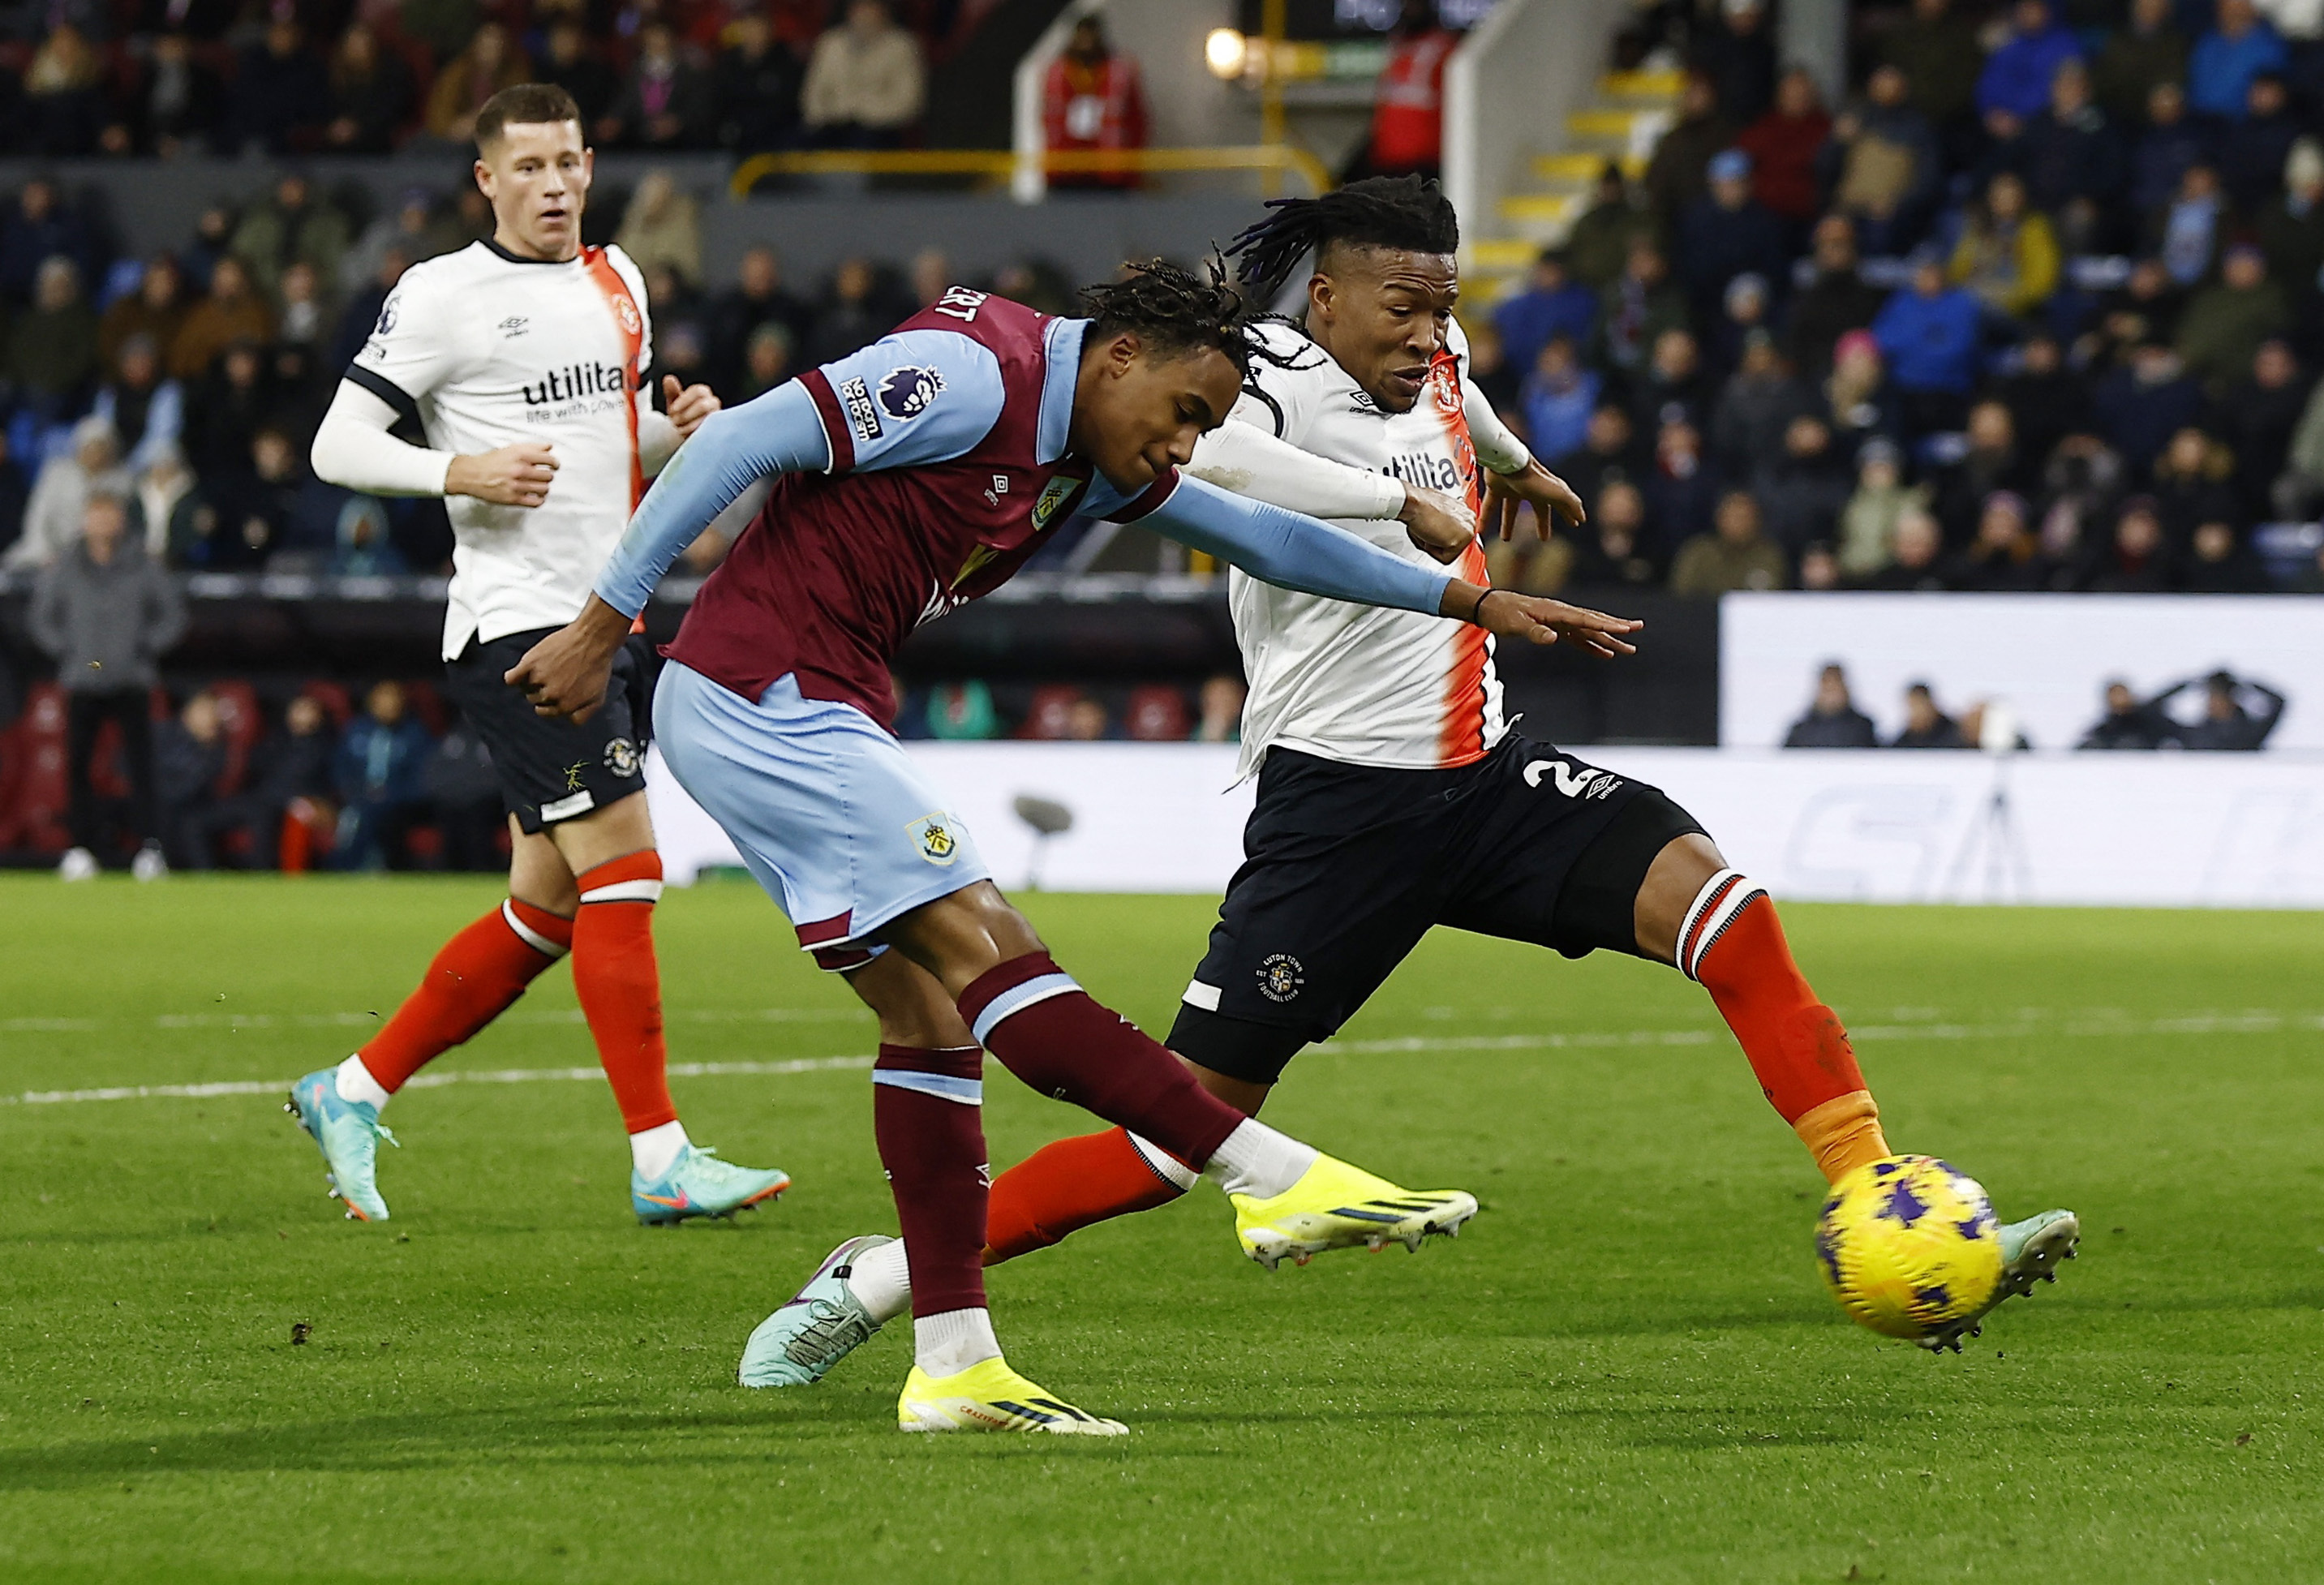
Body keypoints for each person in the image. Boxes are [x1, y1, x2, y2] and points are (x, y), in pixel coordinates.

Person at [707, 183, 2075, 1398]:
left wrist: (1519, 458)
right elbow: (1231, 476)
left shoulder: (1442, 356)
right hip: (1337, 814)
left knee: (1725, 906)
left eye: (1446, 305)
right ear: (1329, 295)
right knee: (1182, 1135)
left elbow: (1461, 395)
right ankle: (883, 1277)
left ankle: (1880, 1189)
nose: (1428, 331)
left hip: (1484, 777)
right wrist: (1385, 499)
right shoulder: (1254, 385)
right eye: (1403, 305)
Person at [503, 249, 1620, 1433]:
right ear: (1123, 354)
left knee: (929, 1014)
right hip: (759, 693)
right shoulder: (974, 371)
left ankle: (953, 1365)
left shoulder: (1083, 454)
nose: (1184, 446)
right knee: (986, 939)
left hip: (791, 705)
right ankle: (1267, 1176)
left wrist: (1468, 601)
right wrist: (602, 622)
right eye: (1186, 413)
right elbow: (743, 444)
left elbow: (1259, 536)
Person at [294, 84, 788, 1227]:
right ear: (487, 181)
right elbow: (335, 444)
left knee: (546, 913)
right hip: (523, 627)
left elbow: (605, 443)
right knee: (627, 872)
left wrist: (677, 430)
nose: (555, 185)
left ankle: (352, 1087)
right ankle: (660, 1155)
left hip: (605, 615)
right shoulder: (441, 295)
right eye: (528, 168)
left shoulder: (621, 282)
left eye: (568, 163)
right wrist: (452, 471)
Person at [30, 492, 187, 882]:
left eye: (109, 515)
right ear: (85, 521)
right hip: (82, 680)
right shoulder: (65, 565)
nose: (102, 524)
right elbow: (42, 619)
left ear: (121, 520)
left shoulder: (142, 564)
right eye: (95, 516)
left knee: (141, 768)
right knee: (78, 768)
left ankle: (149, 848)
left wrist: (142, 648)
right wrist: (69, 651)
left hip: (132, 679)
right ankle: (81, 848)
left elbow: (173, 617)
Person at [1042, 15, 1147, 191]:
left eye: (1090, 36)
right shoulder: (1058, 74)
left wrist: (1132, 170)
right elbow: (1048, 120)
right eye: (1082, 36)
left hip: (1109, 170)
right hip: (1066, 169)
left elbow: (1137, 121)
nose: (1086, 42)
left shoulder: (1119, 74)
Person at [801, 0, 923, 150]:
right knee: (797, 143)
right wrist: (830, 117)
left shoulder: (902, 46)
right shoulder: (830, 43)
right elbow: (812, 96)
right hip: (830, 126)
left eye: (869, 7)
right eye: (858, 7)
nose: (862, 13)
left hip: (880, 131)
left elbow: (907, 104)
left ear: (884, 11)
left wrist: (860, 114)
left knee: (863, 141)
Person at [1358, 0, 1455, 179]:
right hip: (1387, 154)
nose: (1409, 10)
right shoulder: (1397, 46)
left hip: (1426, 159)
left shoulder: (1446, 49)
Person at [1671, 488, 1787, 595]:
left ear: (1757, 521)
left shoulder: (1769, 555)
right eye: (1734, 517)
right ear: (1720, 519)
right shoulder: (1699, 553)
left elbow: (1773, 597)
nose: (1740, 524)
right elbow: (1681, 595)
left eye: (1745, 517)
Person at [2156, 669, 2286, 749]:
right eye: (2211, 698)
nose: (2213, 703)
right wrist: (2185, 685)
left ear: (2232, 701)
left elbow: (2279, 703)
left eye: (2219, 698)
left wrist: (2248, 684)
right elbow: (2152, 711)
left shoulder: (2250, 733)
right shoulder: (2192, 733)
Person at [1785, 663, 1879, 747]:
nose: (1831, 693)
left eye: (1835, 686)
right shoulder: (1801, 731)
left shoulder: (1863, 728)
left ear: (1845, 689)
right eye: (1827, 687)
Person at [2078, 678, 2170, 750]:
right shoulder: (2109, 724)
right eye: (2114, 696)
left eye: (2120, 695)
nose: (2118, 700)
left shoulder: (2148, 716)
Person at [1889, 681, 1967, 749]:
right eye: (1912, 706)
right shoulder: (1907, 737)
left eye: (1919, 705)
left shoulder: (1954, 733)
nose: (1916, 712)